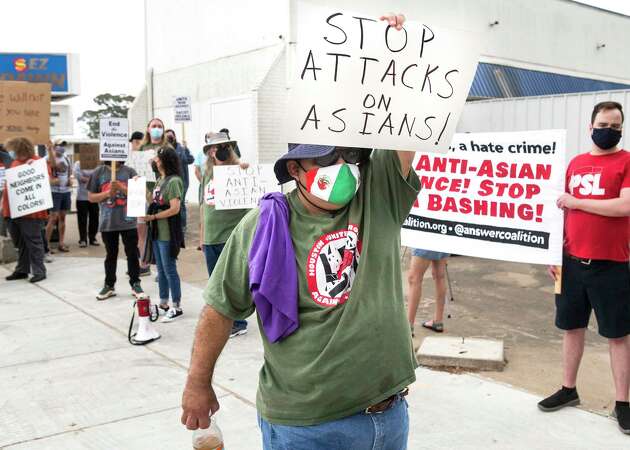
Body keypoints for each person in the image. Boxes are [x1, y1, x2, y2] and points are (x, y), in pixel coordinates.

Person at [540, 101, 630, 435]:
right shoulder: (576, 164)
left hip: (612, 265)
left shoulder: (626, 161)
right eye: (604, 124)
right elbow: (559, 211)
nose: (610, 131)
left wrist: (578, 202)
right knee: (570, 327)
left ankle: (623, 403)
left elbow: (625, 205)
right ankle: (568, 389)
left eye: (617, 126)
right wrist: (554, 253)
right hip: (571, 264)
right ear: (590, 127)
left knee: (618, 335)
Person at [200, 131, 250, 337]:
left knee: (230, 281)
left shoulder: (238, 171)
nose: (217, 151)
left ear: (229, 149)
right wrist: (202, 236)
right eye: (213, 148)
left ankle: (238, 322)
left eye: (222, 147)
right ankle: (226, 320)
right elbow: (203, 206)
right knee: (214, 282)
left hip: (229, 235)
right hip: (211, 236)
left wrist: (244, 170)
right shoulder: (207, 174)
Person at [87, 160, 144, 300]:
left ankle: (135, 283)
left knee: (132, 253)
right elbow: (91, 198)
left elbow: (139, 194)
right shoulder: (98, 172)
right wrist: (107, 193)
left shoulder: (130, 172)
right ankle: (109, 285)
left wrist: (121, 188)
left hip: (128, 221)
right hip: (108, 223)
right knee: (111, 255)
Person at [144, 146, 185, 322]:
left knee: (169, 269)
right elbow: (152, 199)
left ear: (164, 160)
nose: (155, 161)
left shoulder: (173, 181)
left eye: (157, 158)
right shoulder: (160, 179)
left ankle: (176, 305)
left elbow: (174, 209)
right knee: (160, 270)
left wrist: (153, 216)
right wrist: (141, 184)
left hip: (167, 232)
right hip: (157, 232)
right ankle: (163, 303)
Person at [2, 137, 50, 283]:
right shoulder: (15, 163)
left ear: (21, 149)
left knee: (34, 241)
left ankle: (39, 271)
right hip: (11, 210)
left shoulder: (37, 162)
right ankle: (22, 269)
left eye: (13, 150)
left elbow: (44, 181)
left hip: (31, 212)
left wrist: (33, 168)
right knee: (20, 242)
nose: (11, 153)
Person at [136, 119, 171, 277]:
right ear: (148, 129)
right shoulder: (141, 149)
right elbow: (136, 171)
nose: (157, 129)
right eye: (153, 126)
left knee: (160, 233)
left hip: (160, 195)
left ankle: (160, 268)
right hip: (142, 194)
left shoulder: (167, 148)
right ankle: (144, 264)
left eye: (159, 126)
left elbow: (172, 172)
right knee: (142, 230)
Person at [406, 249, 450, 336]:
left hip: (426, 238)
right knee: (439, 275)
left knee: (414, 278)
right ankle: (438, 321)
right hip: (443, 237)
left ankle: (408, 327)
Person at [45, 141, 72, 252]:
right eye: (59, 145)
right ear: (54, 146)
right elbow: (42, 173)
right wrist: (50, 181)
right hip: (54, 192)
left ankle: (61, 243)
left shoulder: (66, 158)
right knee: (52, 218)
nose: (62, 147)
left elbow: (69, 172)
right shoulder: (47, 158)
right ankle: (46, 245)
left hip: (65, 191)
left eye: (64, 145)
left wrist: (69, 179)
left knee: (62, 218)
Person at [165, 129, 194, 231]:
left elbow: (189, 160)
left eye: (171, 136)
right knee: (170, 204)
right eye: (167, 137)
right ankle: (173, 226)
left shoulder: (181, 148)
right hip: (169, 182)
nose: (169, 138)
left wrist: (185, 150)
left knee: (180, 203)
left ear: (175, 137)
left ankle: (182, 226)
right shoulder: (164, 149)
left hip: (182, 181)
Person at [73, 159, 99, 247]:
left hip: (94, 195)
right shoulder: (78, 163)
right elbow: (78, 176)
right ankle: (83, 239)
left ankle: (92, 238)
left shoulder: (96, 164)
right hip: (82, 197)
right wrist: (92, 180)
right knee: (82, 219)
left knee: (95, 218)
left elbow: (98, 177)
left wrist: (87, 179)